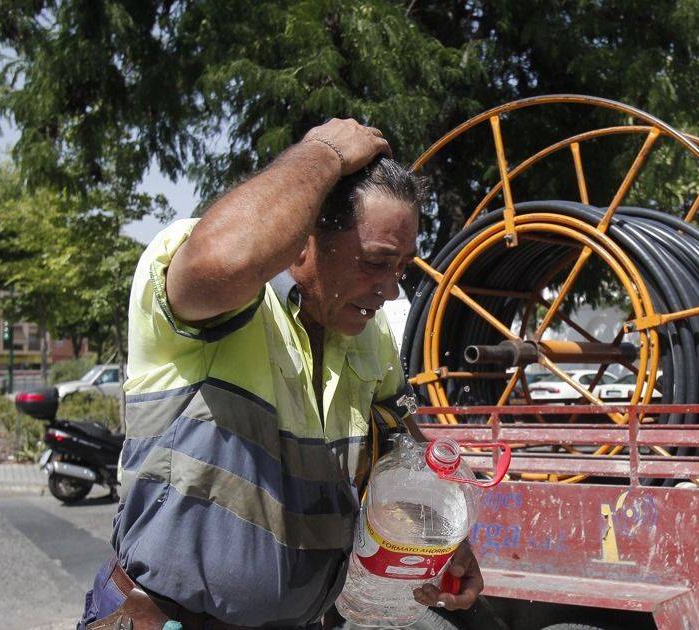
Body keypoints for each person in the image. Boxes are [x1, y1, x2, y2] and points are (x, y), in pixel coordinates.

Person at [79, 119, 483, 628]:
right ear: (301, 245)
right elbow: (224, 260)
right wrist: (323, 151)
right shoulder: (223, 299)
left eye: (401, 266)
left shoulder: (367, 332)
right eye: (374, 262)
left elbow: (401, 446)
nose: (391, 289)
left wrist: (447, 541)